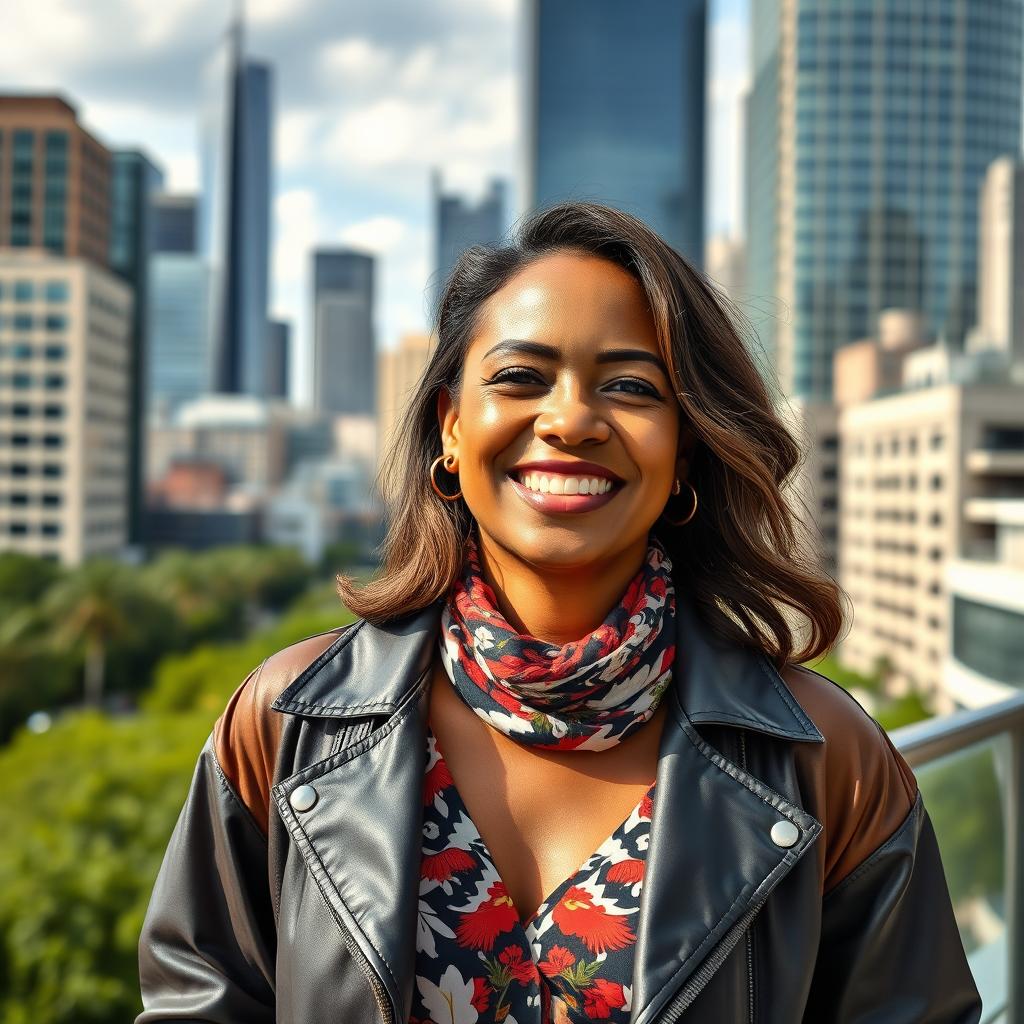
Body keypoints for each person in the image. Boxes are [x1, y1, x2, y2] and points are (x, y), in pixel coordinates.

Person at [136, 202, 982, 1023]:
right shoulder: (289, 723)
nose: (572, 419)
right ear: (451, 429)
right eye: (519, 378)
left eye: (629, 386)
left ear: (685, 448)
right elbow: (197, 1003)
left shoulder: (825, 757)